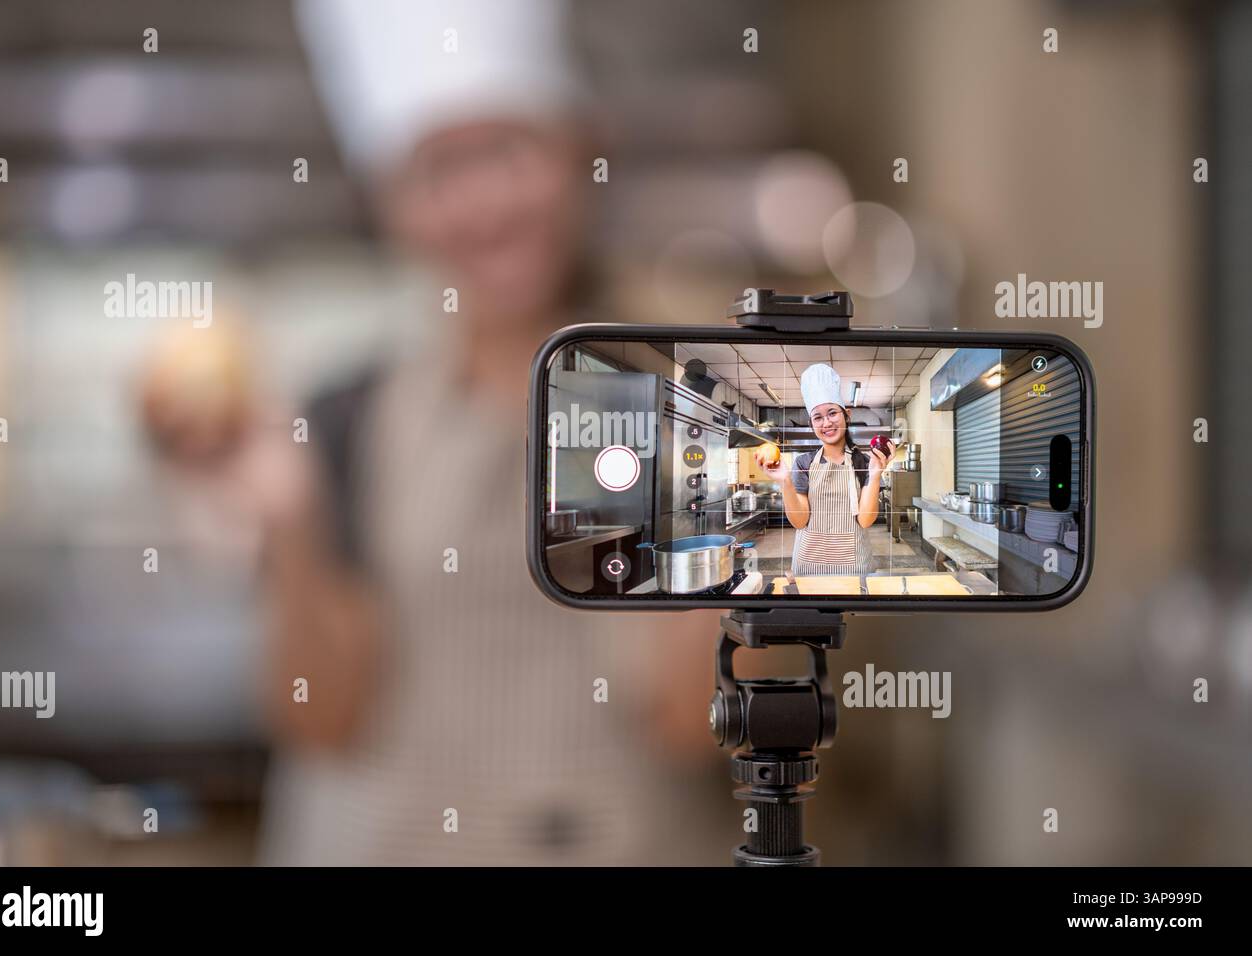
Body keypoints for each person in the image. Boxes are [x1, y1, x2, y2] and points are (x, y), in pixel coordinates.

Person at [238, 0, 722, 865]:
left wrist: (759, 514)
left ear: (581, 150)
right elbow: (322, 714)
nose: (485, 203)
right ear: (389, 204)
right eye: (437, 170)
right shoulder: (346, 414)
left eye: (510, 150)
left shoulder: (680, 393)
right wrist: (288, 531)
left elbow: (689, 723)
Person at [755, 363, 892, 576]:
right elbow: (800, 521)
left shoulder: (864, 462)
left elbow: (865, 520)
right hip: (809, 567)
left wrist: (875, 475)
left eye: (832, 413)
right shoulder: (803, 463)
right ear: (812, 423)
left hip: (853, 567)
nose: (826, 423)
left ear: (846, 414)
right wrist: (785, 481)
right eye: (818, 417)